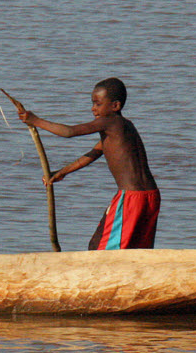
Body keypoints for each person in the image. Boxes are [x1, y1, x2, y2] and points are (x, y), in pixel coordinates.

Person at [14, 77, 160, 250]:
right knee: (136, 250)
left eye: (98, 104)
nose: (93, 109)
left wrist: (35, 120)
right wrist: (62, 172)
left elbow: (69, 132)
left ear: (115, 106)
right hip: (151, 196)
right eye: (92, 104)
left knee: (100, 249)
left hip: (131, 198)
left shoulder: (109, 122)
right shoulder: (124, 127)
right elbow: (94, 153)